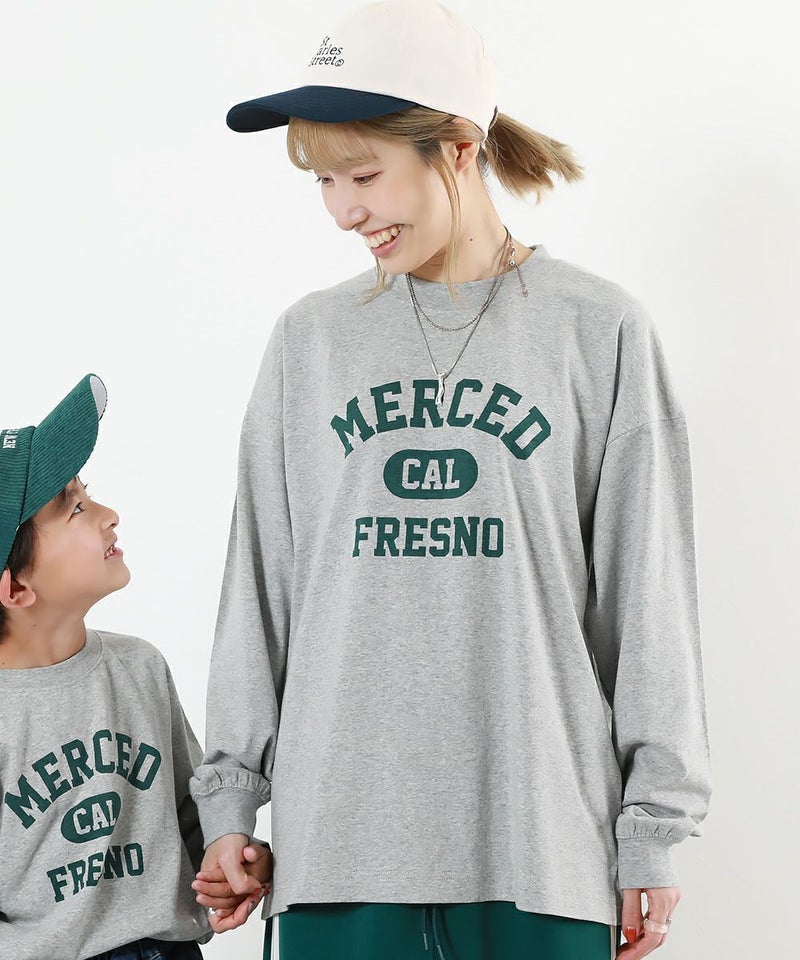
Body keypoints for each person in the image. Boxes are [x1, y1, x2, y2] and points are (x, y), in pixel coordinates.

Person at [189, 1, 712, 958]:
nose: (343, 210)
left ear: (459, 149)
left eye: (364, 174)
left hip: (544, 845)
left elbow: (650, 601)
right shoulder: (310, 342)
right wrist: (230, 801)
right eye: (323, 181)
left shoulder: (597, 331)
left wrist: (653, 831)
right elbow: (260, 588)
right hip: (338, 846)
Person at [0, 374, 272, 960]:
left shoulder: (139, 668)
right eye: (75, 508)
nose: (109, 514)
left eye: (89, 493)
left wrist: (234, 859)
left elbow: (193, 824)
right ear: (16, 588)